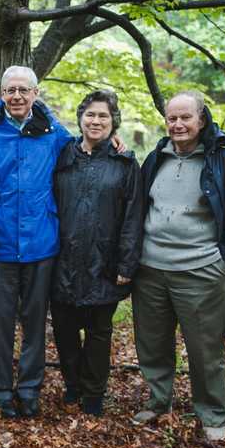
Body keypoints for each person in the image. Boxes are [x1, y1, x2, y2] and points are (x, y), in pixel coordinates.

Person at [132, 90, 225, 441]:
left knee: (205, 349)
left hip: (202, 271)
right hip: (151, 269)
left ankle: (212, 413)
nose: (178, 124)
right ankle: (159, 401)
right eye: (172, 118)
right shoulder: (156, 158)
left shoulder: (224, 161)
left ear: (201, 120)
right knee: (153, 343)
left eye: (185, 117)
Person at [0, 66, 73, 419]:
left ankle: (29, 389)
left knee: (33, 322)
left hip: (41, 243)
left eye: (23, 90)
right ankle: (0, 389)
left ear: (35, 94)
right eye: (10, 90)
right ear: (1, 94)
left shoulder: (54, 134)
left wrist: (113, 141)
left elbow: (85, 153)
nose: (16, 96)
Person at [50, 89, 143, 416]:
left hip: (104, 262)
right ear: (80, 118)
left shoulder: (125, 163)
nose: (96, 120)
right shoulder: (62, 157)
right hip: (61, 260)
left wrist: (127, 263)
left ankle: (94, 391)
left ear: (113, 122)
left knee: (99, 333)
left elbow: (134, 216)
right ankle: (72, 384)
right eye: (90, 114)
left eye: (103, 116)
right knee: (63, 329)